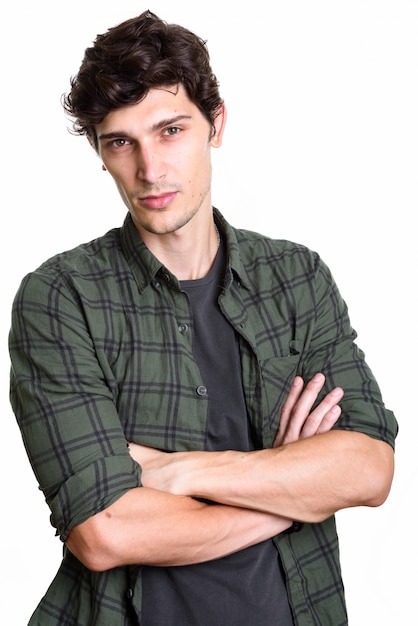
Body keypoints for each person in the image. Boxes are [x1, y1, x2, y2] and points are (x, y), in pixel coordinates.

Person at [9, 9, 398, 626]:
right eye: (120, 142)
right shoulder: (61, 300)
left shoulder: (296, 279)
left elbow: (369, 469)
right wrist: (293, 492)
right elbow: (105, 531)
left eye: (170, 131)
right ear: (99, 150)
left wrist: (175, 471)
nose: (150, 169)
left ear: (216, 124)